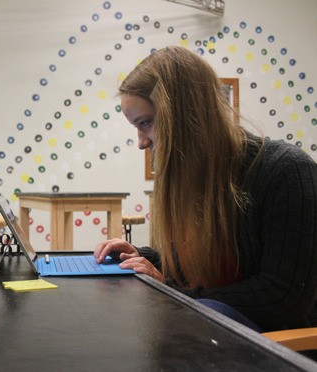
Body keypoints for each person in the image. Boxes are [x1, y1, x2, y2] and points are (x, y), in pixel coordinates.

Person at [94, 45, 317, 332]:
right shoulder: (192, 179)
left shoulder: (287, 172)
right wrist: (142, 257)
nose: (141, 142)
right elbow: (203, 268)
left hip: (281, 342)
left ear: (184, 115)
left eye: (146, 123)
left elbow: (281, 297)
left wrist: (176, 295)